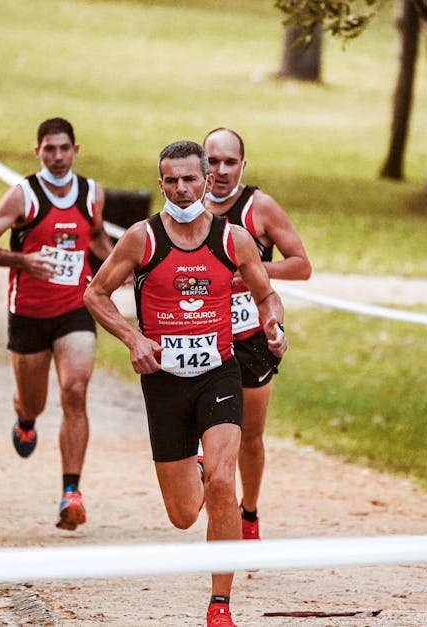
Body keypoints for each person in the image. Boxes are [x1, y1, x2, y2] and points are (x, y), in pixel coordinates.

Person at [84, 141, 286, 627]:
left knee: (223, 480)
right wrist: (133, 338)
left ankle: (220, 604)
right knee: (181, 515)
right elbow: (96, 294)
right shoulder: (142, 239)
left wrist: (274, 327)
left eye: (190, 179)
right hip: (165, 384)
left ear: (207, 181)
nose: (181, 188)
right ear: (160, 184)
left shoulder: (232, 239)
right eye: (171, 180)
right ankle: (194, 471)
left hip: (219, 373)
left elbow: (267, 294)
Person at [0, 117, 113, 532]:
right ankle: (25, 418)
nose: (57, 156)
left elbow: (96, 239)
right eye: (49, 149)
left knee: (75, 390)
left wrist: (127, 266)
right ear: (38, 153)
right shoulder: (22, 196)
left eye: (64, 148)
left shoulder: (91, 193)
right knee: (35, 401)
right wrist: (23, 261)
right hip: (29, 314)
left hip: (75, 308)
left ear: (75, 149)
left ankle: (72, 492)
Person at [202, 128, 312, 541]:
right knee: (210, 428)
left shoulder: (259, 207)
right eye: (213, 161)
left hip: (250, 338)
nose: (221, 170)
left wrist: (255, 273)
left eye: (230, 162)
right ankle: (213, 494)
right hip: (201, 335)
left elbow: (301, 265)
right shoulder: (186, 206)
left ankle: (249, 512)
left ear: (243, 165)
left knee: (250, 437)